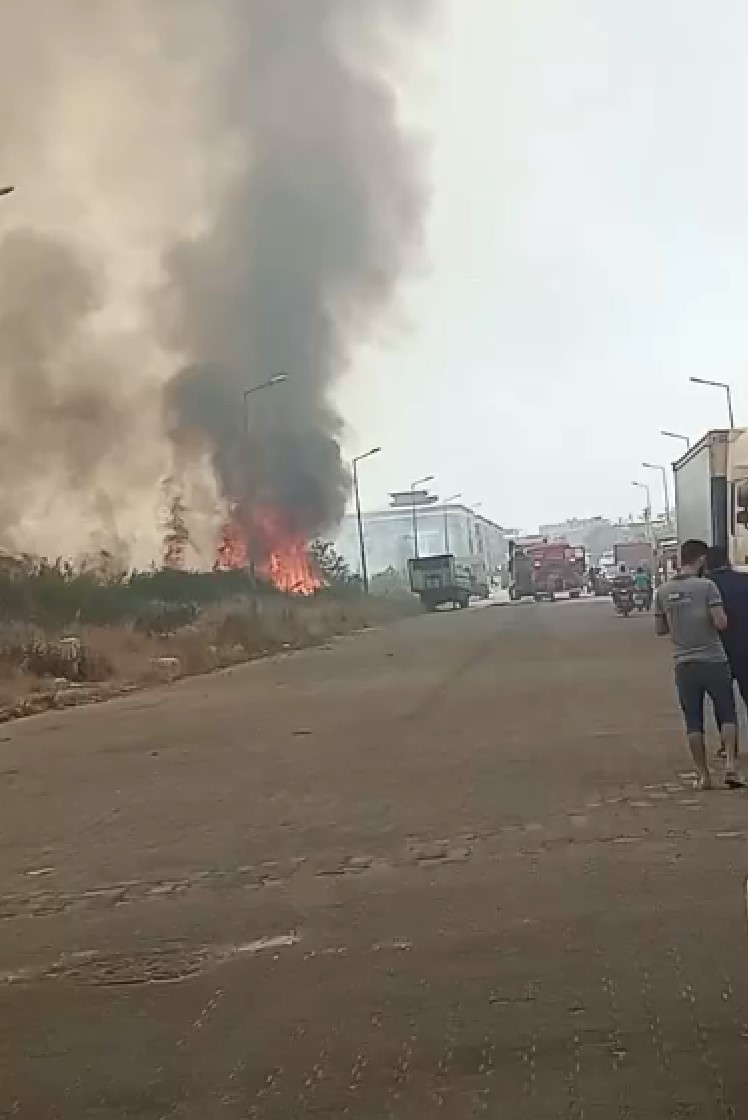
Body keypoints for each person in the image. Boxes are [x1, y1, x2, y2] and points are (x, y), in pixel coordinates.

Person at [654, 538, 744, 790]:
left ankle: (703, 776)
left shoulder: (662, 592)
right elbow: (720, 623)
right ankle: (730, 767)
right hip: (714, 660)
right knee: (726, 713)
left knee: (693, 721)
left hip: (684, 663)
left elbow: (660, 629)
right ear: (701, 560)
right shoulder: (707, 587)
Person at [706, 545, 748, 744]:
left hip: (718, 650)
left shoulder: (706, 586)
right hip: (746, 648)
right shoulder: (744, 580)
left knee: (723, 702)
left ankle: (728, 746)